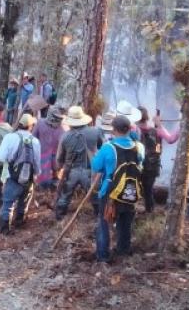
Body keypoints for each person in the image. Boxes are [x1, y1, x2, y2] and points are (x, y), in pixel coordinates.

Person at [91, 115, 145, 262]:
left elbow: (96, 166)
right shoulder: (138, 147)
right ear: (129, 129)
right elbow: (141, 164)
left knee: (104, 222)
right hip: (130, 190)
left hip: (110, 192)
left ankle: (103, 255)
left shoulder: (108, 148)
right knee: (126, 222)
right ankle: (123, 250)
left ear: (113, 130)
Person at [54, 106, 103, 220]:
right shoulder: (95, 132)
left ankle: (60, 218)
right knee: (95, 195)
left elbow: (59, 158)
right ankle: (99, 217)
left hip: (71, 171)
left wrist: (59, 168)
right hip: (90, 171)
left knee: (65, 196)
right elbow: (101, 147)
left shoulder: (65, 136)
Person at [0, 114, 41, 234]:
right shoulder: (35, 141)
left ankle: (4, 229)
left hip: (13, 176)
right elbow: (37, 162)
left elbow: (0, 157)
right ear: (30, 126)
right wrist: (36, 175)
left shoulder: (10, 137)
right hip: (29, 178)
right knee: (24, 202)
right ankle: (20, 223)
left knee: (8, 203)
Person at [136, 107, 179, 213]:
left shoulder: (132, 130)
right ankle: (149, 211)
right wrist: (159, 125)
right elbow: (171, 139)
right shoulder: (156, 131)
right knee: (148, 190)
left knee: (134, 188)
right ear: (147, 117)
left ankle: (134, 211)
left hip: (137, 165)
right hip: (152, 166)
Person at [32, 105, 66, 190]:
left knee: (42, 178)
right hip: (55, 160)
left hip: (41, 156)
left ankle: (42, 188)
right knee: (53, 178)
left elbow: (33, 138)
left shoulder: (40, 123)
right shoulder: (62, 130)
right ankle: (52, 186)